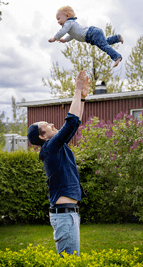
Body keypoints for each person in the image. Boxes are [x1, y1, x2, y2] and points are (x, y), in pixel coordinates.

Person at [26, 70, 90, 256]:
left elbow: (73, 125)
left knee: (70, 260)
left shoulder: (55, 147)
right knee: (68, 262)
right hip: (64, 215)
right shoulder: (50, 149)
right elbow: (69, 124)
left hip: (68, 214)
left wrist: (82, 98)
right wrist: (77, 91)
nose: (54, 126)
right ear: (42, 136)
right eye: (48, 127)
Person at [48, 6, 124, 68]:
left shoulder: (68, 23)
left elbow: (62, 32)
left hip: (92, 34)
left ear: (67, 16)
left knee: (103, 46)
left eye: (59, 19)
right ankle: (117, 38)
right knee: (105, 43)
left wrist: (54, 38)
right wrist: (65, 40)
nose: (58, 21)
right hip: (93, 34)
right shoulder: (71, 24)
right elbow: (73, 35)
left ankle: (117, 57)